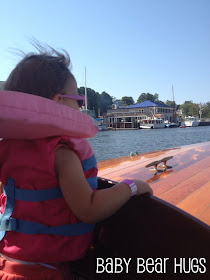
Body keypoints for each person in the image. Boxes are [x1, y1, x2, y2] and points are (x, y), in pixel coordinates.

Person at [0, 44, 153, 280]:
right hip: (43, 271)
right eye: (79, 100)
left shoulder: (7, 149)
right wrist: (131, 186)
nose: (81, 106)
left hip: (9, 262)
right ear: (59, 101)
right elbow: (89, 209)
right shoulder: (62, 154)